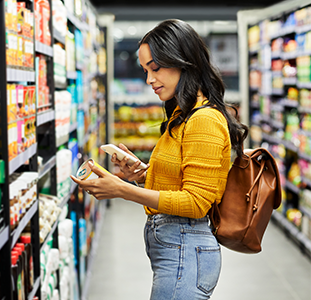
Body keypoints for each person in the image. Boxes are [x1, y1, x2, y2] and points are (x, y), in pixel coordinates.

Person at [70, 19, 248, 300]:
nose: (149, 79)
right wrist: (141, 173)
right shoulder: (183, 114)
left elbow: (196, 202)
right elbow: (182, 177)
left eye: (156, 67)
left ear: (183, 62)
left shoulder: (203, 120)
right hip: (177, 249)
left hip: (186, 251)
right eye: (145, 70)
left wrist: (124, 190)